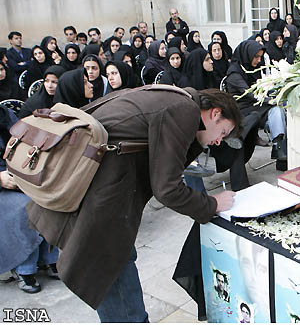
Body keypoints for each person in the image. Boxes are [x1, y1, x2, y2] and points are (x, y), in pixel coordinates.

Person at [26, 87, 241, 322]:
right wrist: (212, 204)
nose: (219, 141)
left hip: (91, 195)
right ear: (214, 113)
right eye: (223, 131)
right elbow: (167, 189)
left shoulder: (172, 96)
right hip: (100, 207)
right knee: (118, 289)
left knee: (118, 267)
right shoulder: (184, 109)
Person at [0, 105, 60, 294]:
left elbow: (23, 138)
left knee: (46, 194)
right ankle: (24, 268)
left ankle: (50, 258)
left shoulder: (3, 113)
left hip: (17, 171)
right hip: (2, 184)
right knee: (24, 206)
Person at [223, 40, 288, 189]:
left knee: (278, 111)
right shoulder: (234, 72)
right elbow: (249, 92)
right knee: (273, 107)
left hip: (258, 107)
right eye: (256, 57)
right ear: (247, 55)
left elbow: (261, 86)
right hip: (242, 111)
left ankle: (278, 145)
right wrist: (267, 99)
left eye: (260, 57)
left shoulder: (254, 68)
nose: (258, 60)